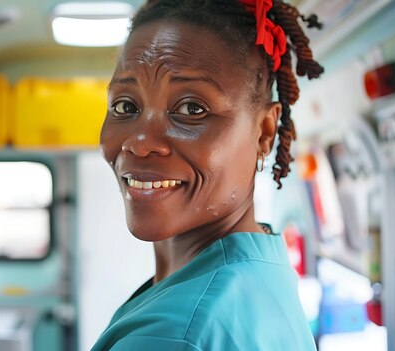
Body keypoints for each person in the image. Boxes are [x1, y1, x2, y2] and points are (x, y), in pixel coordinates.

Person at [93, 0, 324, 349]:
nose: (139, 143)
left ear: (264, 133)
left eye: (191, 108)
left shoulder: (174, 336)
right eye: (126, 106)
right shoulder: (260, 266)